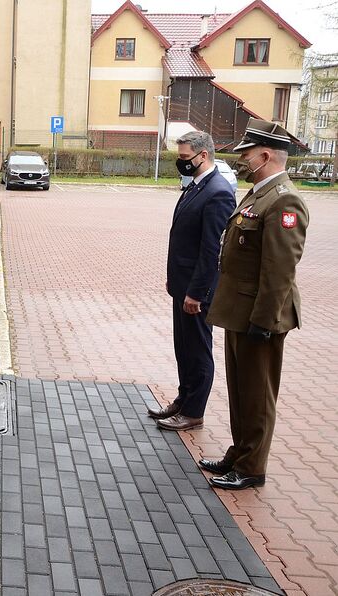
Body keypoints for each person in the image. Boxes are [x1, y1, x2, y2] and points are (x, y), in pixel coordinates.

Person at [201, 118, 309, 490]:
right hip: (239, 311)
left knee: (258, 395)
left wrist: (262, 322)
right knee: (240, 389)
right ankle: (241, 451)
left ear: (265, 155)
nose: (241, 161)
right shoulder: (259, 193)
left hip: (260, 317)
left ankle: (251, 467)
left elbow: (279, 271)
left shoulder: (284, 201)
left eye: (246, 155)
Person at [149, 131, 235, 431]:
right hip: (183, 285)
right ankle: (183, 399)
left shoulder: (219, 192)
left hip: (197, 292)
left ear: (203, 156)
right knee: (183, 346)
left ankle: (194, 411)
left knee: (198, 350)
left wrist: (197, 293)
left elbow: (212, 249)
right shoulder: (197, 186)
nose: (181, 163)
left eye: (185, 158)